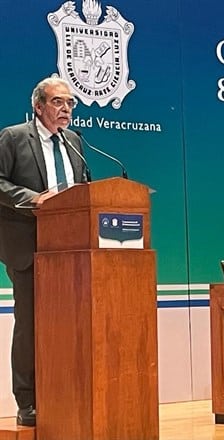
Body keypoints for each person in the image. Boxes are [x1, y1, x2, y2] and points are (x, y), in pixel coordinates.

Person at [0, 77, 86, 426]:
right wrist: (34, 198)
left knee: (68, 326)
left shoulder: (75, 142)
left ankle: (62, 391)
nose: (65, 109)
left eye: (70, 104)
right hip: (28, 247)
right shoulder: (14, 137)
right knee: (30, 325)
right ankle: (28, 402)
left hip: (70, 252)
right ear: (39, 106)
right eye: (58, 102)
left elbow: (83, 190)